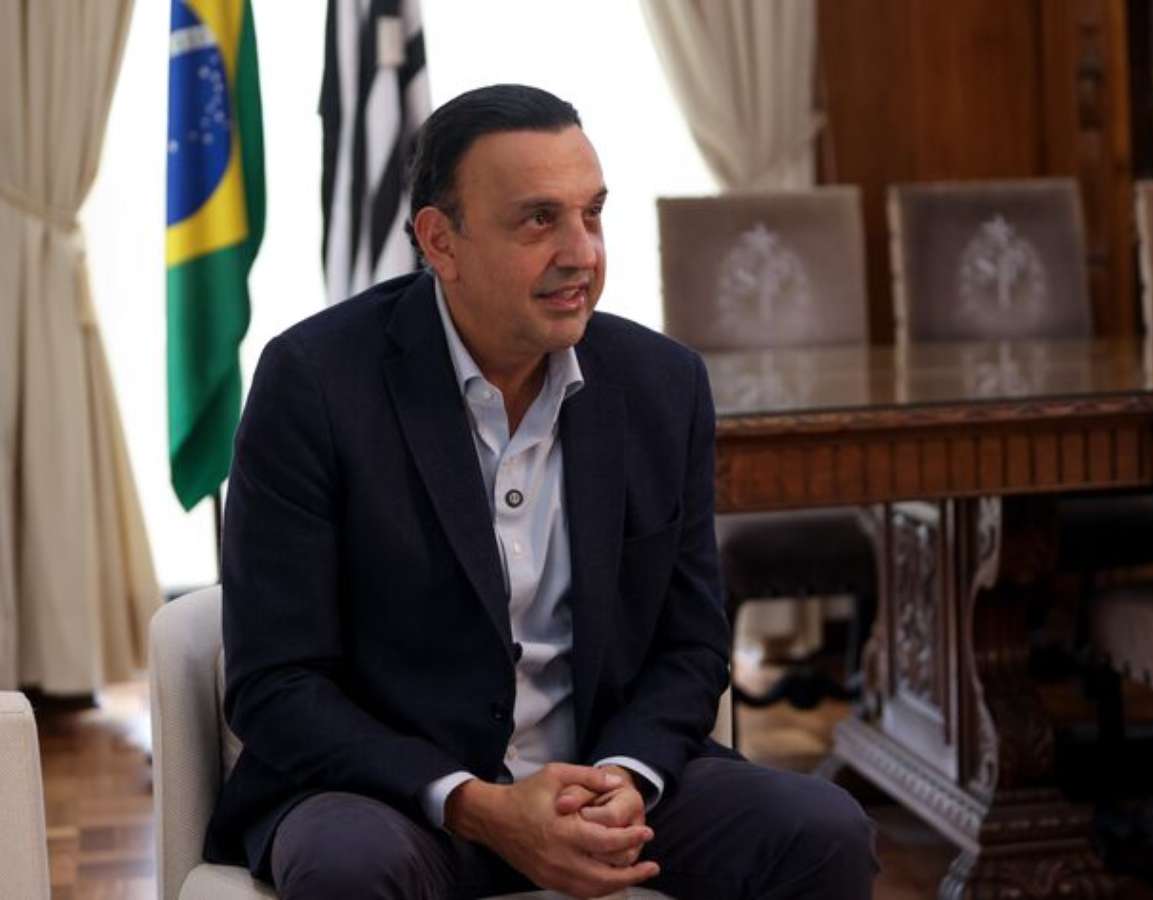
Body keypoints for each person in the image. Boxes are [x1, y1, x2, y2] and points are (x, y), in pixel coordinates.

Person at [203, 83, 877, 900]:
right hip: (398, 800)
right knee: (349, 868)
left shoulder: (663, 385)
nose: (581, 252)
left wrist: (626, 777)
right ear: (440, 242)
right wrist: (478, 806)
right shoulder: (313, 382)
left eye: (592, 214)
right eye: (539, 220)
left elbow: (692, 646)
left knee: (822, 831)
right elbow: (276, 683)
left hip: (600, 783)